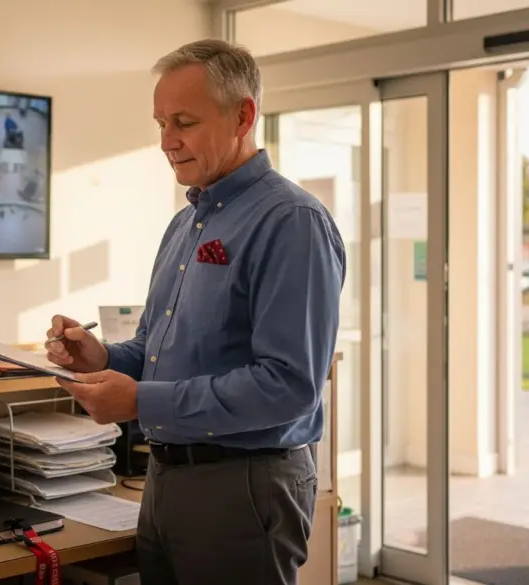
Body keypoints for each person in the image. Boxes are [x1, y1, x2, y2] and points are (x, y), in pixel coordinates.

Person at [45, 39, 345, 585]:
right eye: (160, 123)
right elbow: (158, 349)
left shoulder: (292, 222)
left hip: (244, 487)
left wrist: (138, 399)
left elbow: (289, 384)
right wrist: (103, 356)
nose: (166, 141)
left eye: (182, 121)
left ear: (244, 115)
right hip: (167, 479)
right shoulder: (186, 223)